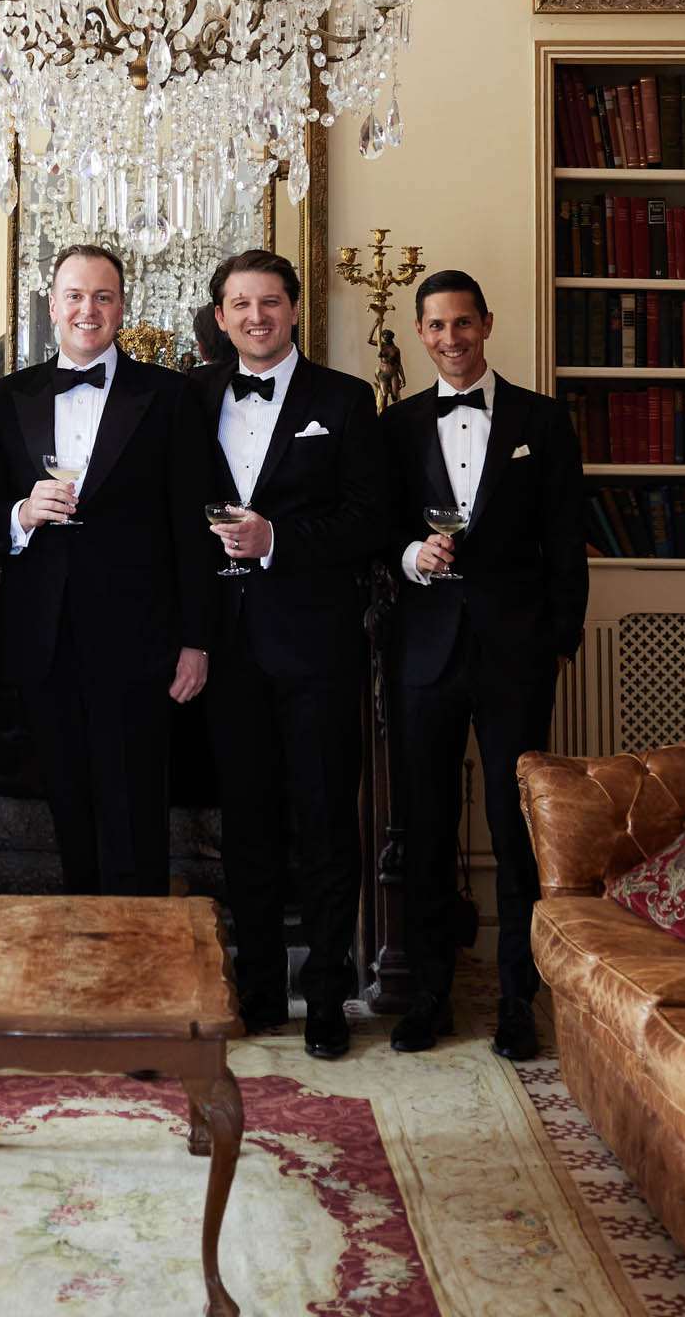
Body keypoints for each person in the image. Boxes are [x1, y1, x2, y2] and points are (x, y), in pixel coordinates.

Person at [380, 268, 588, 1061]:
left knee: (515, 829)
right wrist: (409, 554)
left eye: (462, 324)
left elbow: (566, 540)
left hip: (514, 653)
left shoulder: (543, 419)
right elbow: (375, 531)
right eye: (435, 327)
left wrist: (558, 641)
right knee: (425, 827)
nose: (449, 339)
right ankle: (428, 995)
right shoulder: (394, 426)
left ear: (486, 325)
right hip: (423, 650)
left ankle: (513, 1000)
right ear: (421, 332)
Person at [0, 243, 213, 895]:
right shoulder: (7, 396)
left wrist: (196, 640)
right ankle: (83, 970)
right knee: (66, 809)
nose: (88, 309)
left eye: (102, 296)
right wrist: (20, 513)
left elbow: (192, 529)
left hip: (141, 642)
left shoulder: (169, 396)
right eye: (74, 295)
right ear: (52, 305)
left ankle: (142, 972)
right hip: (41, 642)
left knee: (136, 815)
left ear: (121, 307)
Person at [189, 248, 386, 1060]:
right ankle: (261, 989)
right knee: (245, 828)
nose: (255, 317)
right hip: (221, 648)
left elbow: (367, 520)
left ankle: (329, 995)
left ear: (294, 309)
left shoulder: (343, 399)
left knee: (324, 822)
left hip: (315, 642)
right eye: (239, 305)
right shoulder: (190, 396)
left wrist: (277, 540)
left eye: (269, 303)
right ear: (220, 315)